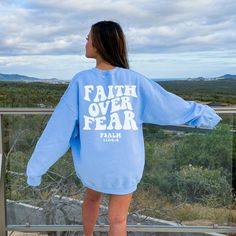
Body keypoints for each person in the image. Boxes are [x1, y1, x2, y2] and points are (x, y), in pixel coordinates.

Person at [25, 20, 222, 236]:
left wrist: (36, 169)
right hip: (126, 164)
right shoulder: (135, 80)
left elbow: (58, 130)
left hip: (94, 162)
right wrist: (205, 115)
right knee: (118, 221)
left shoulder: (81, 81)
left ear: (99, 43)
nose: (85, 42)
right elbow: (168, 105)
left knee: (91, 199)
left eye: (88, 38)